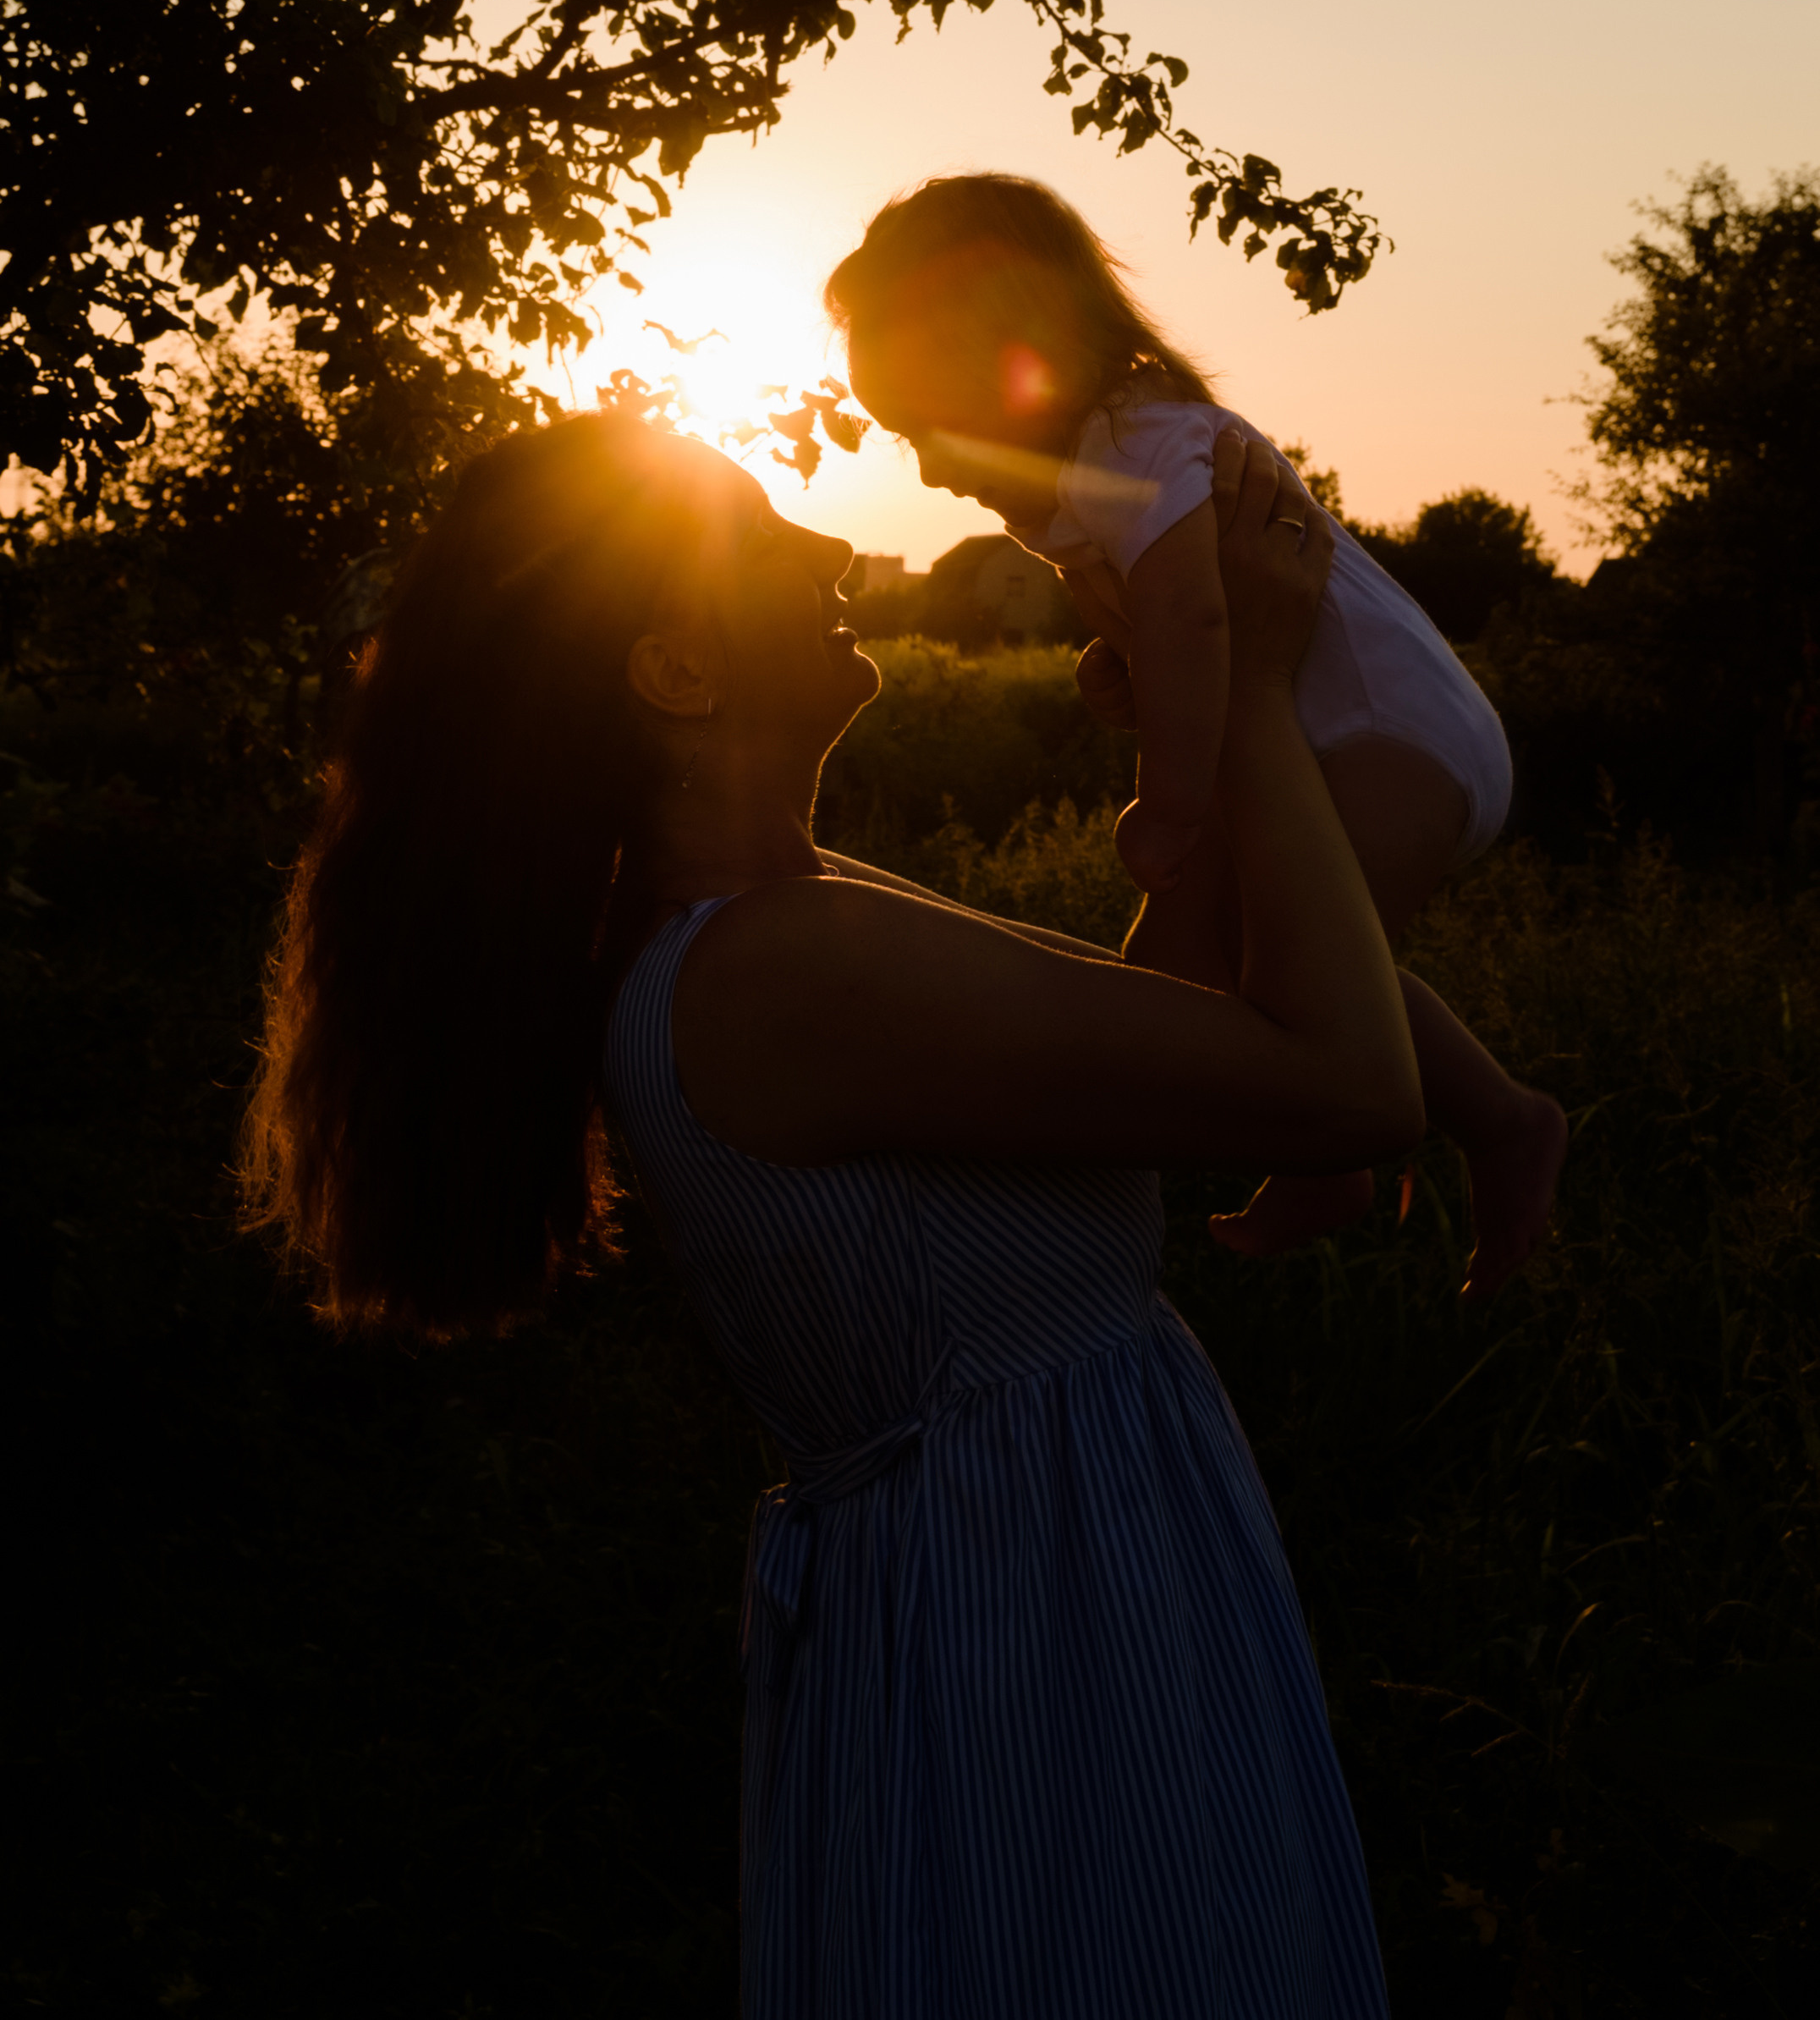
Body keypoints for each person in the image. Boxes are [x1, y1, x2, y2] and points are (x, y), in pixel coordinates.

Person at [245, 405, 1422, 2018]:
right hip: (1040, 1639)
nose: (824, 544)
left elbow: (1147, 1067)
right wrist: (1268, 706)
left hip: (1028, 1602)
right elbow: (1348, 1087)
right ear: (677, 671)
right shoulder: (778, 969)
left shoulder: (792, 923)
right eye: (758, 533)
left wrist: (1196, 746)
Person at [825, 170, 1567, 1300]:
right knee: (1240, 973)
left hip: (1394, 733)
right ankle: (1400, 1142)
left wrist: (1167, 797)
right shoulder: (1093, 470)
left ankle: (1406, 1137)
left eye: (929, 425)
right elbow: (1163, 629)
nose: (926, 467)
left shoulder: (1139, 441)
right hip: (1333, 737)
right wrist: (1123, 669)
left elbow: (1195, 613)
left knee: (1294, 979)